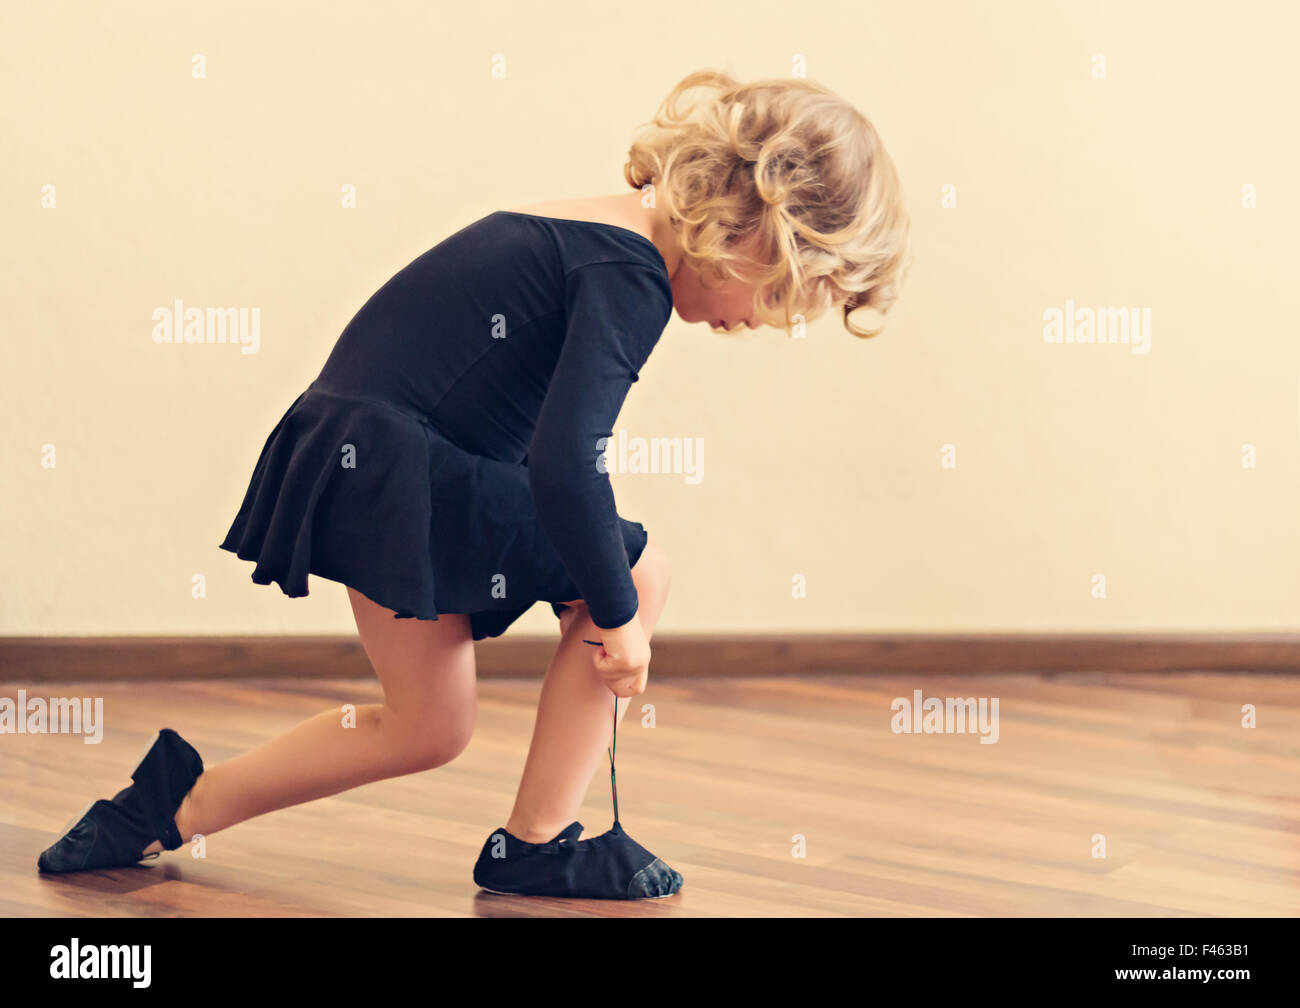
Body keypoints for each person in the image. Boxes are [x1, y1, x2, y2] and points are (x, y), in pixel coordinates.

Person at [36, 68, 910, 900]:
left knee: (428, 726)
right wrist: (616, 620)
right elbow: (568, 464)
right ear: (757, 228)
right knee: (638, 577)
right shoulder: (630, 273)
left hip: (368, 456)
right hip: (396, 462)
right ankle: (537, 843)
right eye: (780, 297)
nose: (758, 323)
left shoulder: (602, 228)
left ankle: (168, 809)